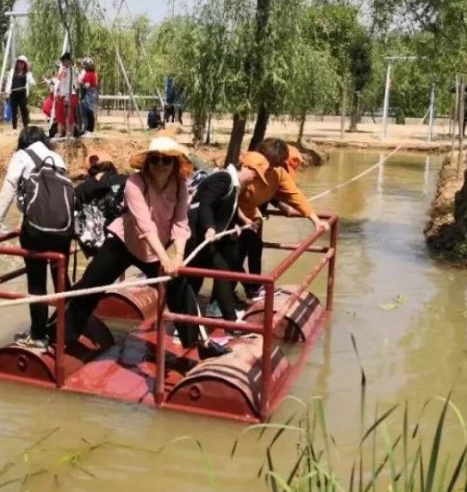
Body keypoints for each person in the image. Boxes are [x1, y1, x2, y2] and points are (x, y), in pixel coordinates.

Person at [63, 137, 220, 358]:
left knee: (180, 290)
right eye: (155, 160)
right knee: (90, 286)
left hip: (156, 249)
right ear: (147, 162)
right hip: (123, 242)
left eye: (166, 160)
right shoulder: (135, 183)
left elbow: (181, 223)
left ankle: (196, 344)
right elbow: (144, 225)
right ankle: (61, 338)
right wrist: (165, 258)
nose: (160, 165)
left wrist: (178, 256)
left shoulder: (180, 186)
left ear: (175, 163)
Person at [0, 126, 71, 348]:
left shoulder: (22, 156)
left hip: (36, 233)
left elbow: (8, 191)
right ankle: (67, 329)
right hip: (64, 231)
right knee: (60, 278)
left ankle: (38, 336)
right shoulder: (57, 158)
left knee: (37, 283)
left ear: (23, 141)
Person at [236, 138, 328, 300]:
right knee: (234, 257)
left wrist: (315, 219)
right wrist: (243, 219)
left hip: (251, 218)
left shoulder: (277, 173)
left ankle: (251, 288)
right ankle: (241, 291)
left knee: (253, 249)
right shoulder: (245, 169)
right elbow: (230, 198)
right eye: (269, 164)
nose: (270, 169)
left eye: (274, 165)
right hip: (231, 219)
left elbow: (294, 195)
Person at [186, 158, 260, 324]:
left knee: (202, 277)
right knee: (212, 273)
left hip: (204, 236)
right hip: (197, 235)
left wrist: (239, 224)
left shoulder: (234, 185)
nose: (255, 180)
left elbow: (225, 209)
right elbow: (205, 204)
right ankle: (229, 320)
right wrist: (209, 226)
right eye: (255, 175)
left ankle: (196, 320)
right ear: (246, 166)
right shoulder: (223, 178)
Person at [74, 160, 128, 257]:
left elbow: (75, 215)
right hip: (119, 235)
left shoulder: (80, 189)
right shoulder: (124, 180)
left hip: (93, 240)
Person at [5, 55, 35, 131]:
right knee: (14, 111)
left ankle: (25, 127)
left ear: (25, 64)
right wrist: (7, 91)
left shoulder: (27, 73)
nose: (20, 64)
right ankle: (14, 128)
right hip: (13, 93)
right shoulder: (12, 71)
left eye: (22, 62)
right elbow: (9, 82)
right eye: (19, 62)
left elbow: (31, 81)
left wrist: (33, 83)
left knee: (23, 110)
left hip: (22, 94)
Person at [54, 52, 78, 138]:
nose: (63, 63)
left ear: (68, 61)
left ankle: (70, 132)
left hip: (71, 94)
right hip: (62, 94)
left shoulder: (72, 71)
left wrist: (69, 95)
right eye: (62, 62)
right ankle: (60, 131)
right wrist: (57, 92)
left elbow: (75, 84)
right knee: (60, 113)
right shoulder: (62, 70)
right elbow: (60, 83)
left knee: (69, 113)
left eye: (64, 61)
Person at [79, 57, 99, 135]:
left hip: (88, 94)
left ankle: (88, 129)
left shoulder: (89, 74)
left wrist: (81, 84)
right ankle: (88, 129)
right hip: (92, 93)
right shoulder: (94, 73)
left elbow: (87, 85)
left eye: (85, 65)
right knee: (89, 111)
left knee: (87, 111)